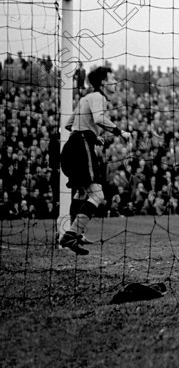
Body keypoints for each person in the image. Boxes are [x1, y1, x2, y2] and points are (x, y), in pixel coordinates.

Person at [58, 66, 131, 255]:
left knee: (81, 193)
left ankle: (77, 236)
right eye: (112, 78)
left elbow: (68, 124)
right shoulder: (99, 98)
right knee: (98, 195)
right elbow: (99, 118)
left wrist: (92, 135)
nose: (115, 82)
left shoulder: (85, 98)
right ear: (103, 83)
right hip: (81, 147)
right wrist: (120, 132)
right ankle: (70, 235)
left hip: (71, 147)